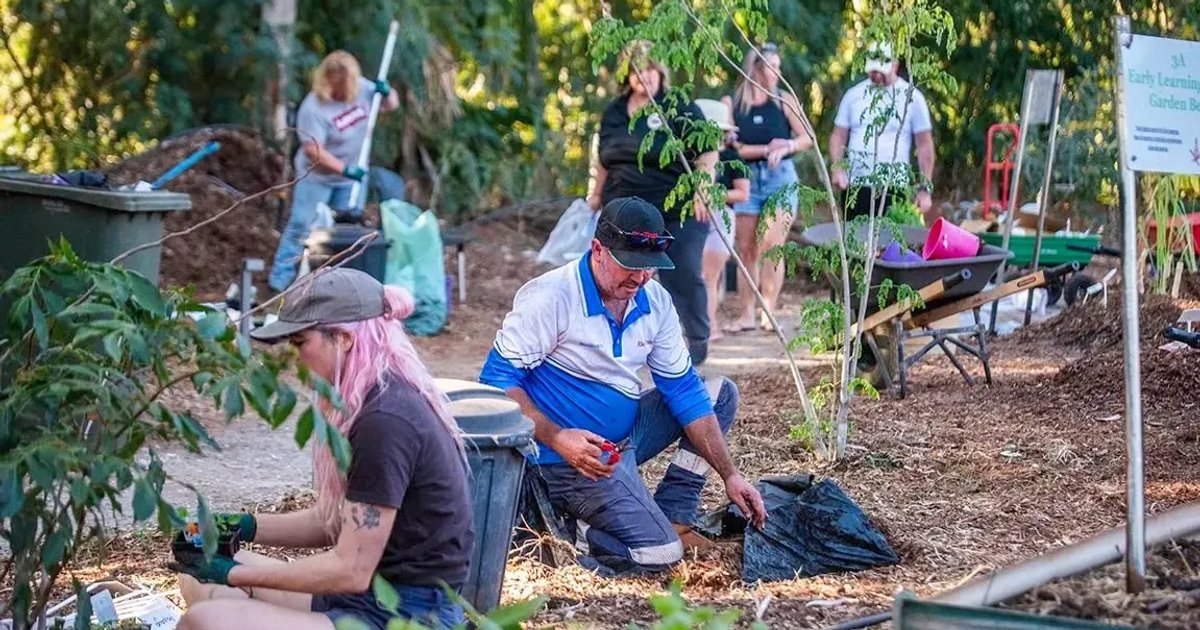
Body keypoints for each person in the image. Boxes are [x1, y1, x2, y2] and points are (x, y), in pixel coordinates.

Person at [170, 268, 473, 630]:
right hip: (365, 596)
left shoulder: (385, 421)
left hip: (407, 614)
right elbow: (334, 521)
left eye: (300, 344)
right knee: (198, 580)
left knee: (206, 621)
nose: (295, 360)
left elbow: (351, 569)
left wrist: (234, 573)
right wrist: (241, 527)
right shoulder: (371, 399)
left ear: (343, 338)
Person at [479, 196, 767, 577]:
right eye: (630, 265)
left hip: (621, 443)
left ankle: (675, 512)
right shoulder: (551, 297)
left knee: (718, 393)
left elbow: (684, 390)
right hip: (561, 460)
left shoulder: (655, 301)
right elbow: (496, 383)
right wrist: (558, 438)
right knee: (662, 554)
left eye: (649, 268)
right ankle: (574, 532)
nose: (640, 278)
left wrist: (730, 474)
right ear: (597, 250)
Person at [587, 40, 719, 365]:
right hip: (622, 211)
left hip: (676, 209)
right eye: (637, 70)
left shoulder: (678, 106)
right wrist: (593, 193)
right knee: (610, 275)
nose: (643, 77)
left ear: (661, 72)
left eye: (650, 69)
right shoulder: (615, 111)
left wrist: (703, 190)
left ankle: (695, 341)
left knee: (683, 272)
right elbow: (602, 159)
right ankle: (607, 342)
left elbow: (707, 151)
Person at [269, 51, 401, 294]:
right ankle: (279, 281)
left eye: (344, 85)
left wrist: (387, 93)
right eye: (335, 85)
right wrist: (345, 169)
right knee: (301, 226)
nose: (340, 91)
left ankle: (340, 286)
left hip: (351, 181)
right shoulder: (313, 107)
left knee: (347, 229)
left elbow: (390, 104)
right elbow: (312, 150)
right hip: (316, 178)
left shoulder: (362, 88)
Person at [721, 43, 814, 333]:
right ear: (755, 68)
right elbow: (733, 146)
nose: (777, 72)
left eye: (778, 66)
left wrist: (785, 145)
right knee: (747, 249)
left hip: (780, 177)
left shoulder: (784, 100)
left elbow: (806, 137)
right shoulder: (732, 103)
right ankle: (747, 313)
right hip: (744, 178)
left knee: (773, 245)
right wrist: (764, 148)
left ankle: (768, 310)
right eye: (771, 66)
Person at [829, 42, 936, 221]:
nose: (877, 76)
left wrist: (925, 189)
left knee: (891, 243)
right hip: (856, 186)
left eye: (881, 71)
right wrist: (838, 169)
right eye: (873, 71)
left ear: (895, 64)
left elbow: (924, 145)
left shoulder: (912, 97)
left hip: (894, 187)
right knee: (855, 240)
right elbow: (838, 135)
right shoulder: (853, 95)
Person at [693, 99, 750, 342]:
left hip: (720, 217)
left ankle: (710, 327)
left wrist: (712, 196)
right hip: (692, 218)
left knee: (709, 277)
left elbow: (743, 193)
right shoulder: (687, 157)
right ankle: (695, 327)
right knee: (693, 276)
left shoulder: (731, 157)